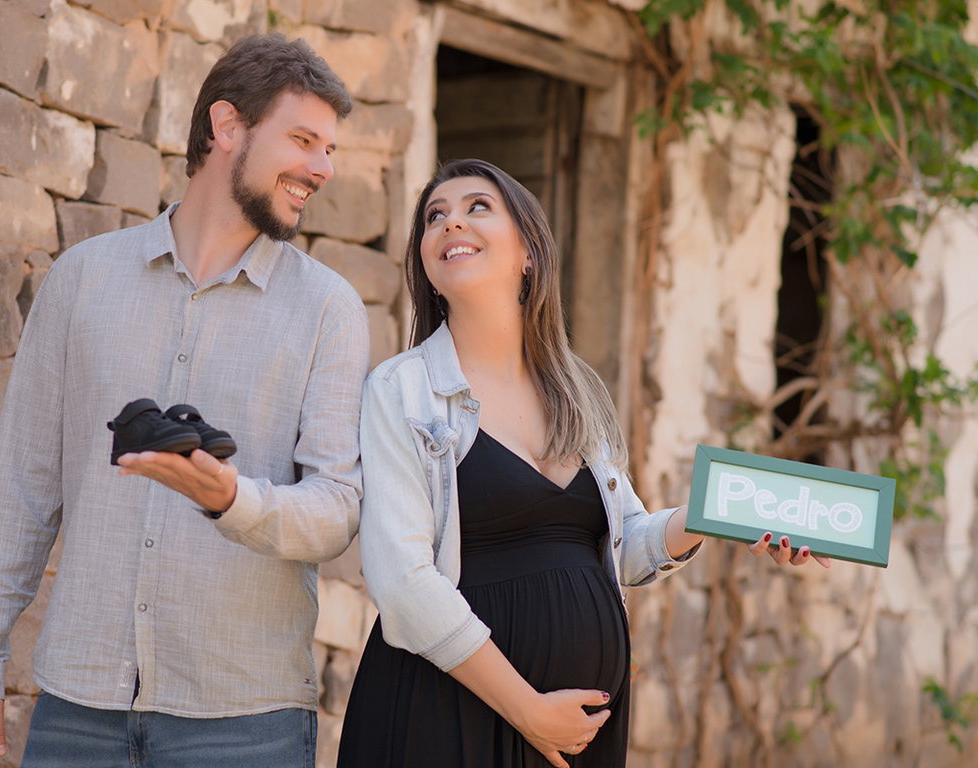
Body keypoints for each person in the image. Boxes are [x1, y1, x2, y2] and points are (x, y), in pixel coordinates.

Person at [0, 34, 369, 768]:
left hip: (245, 722)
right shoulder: (82, 280)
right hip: (78, 711)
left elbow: (336, 511)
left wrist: (232, 499)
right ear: (227, 125)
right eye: (304, 140)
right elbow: (21, 483)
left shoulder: (329, 310)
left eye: (329, 149)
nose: (322, 169)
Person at [336, 158, 828, 768]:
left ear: (529, 253)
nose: (450, 223)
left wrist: (720, 514)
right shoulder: (401, 391)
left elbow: (625, 544)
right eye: (435, 216)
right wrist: (526, 709)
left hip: (575, 736)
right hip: (449, 714)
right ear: (428, 269)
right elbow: (402, 581)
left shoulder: (576, 392)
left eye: (477, 207)